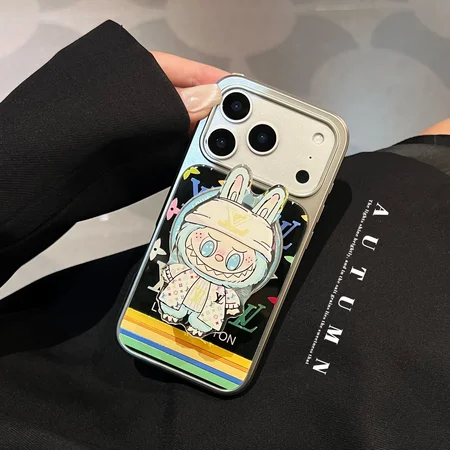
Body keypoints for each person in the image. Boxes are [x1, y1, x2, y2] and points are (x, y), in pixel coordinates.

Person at [0, 21, 448, 450]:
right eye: (211, 247)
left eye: (233, 260)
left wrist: (21, 155)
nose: (216, 259)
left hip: (406, 200)